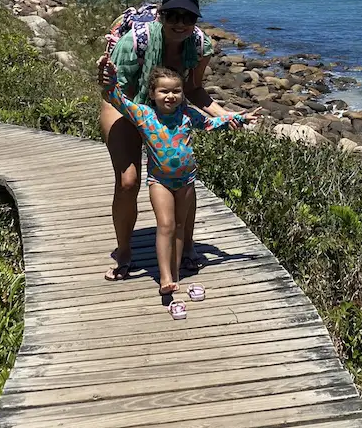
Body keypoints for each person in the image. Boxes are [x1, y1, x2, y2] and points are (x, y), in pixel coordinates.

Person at [99, 0, 237, 281]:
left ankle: (187, 246)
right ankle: (124, 251)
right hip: (128, 104)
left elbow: (194, 89)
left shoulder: (199, 45)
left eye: (187, 17)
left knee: (183, 177)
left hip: (168, 108)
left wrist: (225, 116)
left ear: (195, 20)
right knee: (128, 181)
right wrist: (144, 119)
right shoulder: (135, 41)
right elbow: (119, 92)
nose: (180, 23)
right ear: (161, 15)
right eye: (172, 15)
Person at [99, 56, 253, 305]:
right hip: (159, 181)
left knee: (180, 226)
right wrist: (108, 72)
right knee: (166, 225)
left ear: (182, 94)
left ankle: (176, 274)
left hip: (187, 181)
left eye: (176, 91)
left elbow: (211, 123)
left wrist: (238, 118)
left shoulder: (187, 114)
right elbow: (117, 98)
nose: (170, 96)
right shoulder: (144, 115)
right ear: (152, 93)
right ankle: (165, 277)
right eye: (164, 91)